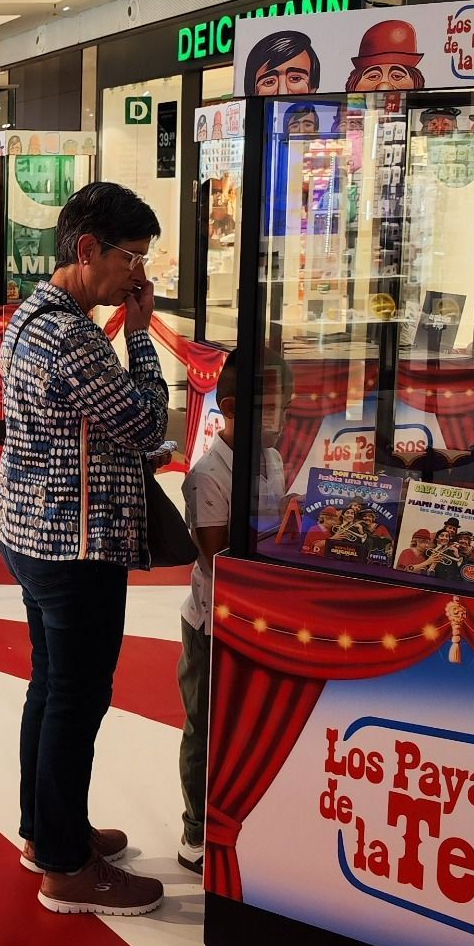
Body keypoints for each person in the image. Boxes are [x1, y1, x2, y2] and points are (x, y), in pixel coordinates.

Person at [0, 181, 169, 917]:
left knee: (51, 687)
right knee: (77, 696)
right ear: (88, 249)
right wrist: (140, 335)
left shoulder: (33, 313)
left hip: (33, 531)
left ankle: (48, 830)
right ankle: (65, 867)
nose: (139, 274)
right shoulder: (71, 334)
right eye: (132, 258)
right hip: (75, 542)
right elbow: (144, 420)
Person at [178, 356, 285, 874]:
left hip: (259, 617)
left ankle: (241, 816)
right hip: (211, 621)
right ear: (228, 409)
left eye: (281, 407)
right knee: (204, 723)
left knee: (249, 723)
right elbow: (214, 558)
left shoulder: (273, 459)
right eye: (267, 409)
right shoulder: (207, 474)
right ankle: (195, 830)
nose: (278, 420)